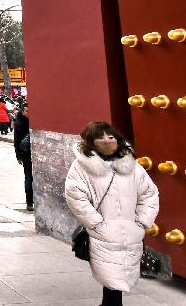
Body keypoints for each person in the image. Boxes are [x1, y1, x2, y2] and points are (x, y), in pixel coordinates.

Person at [65, 122, 159, 306]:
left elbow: (149, 193)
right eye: (100, 137)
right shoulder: (81, 166)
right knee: (112, 276)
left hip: (131, 231)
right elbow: (75, 196)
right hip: (103, 232)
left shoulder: (131, 165)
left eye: (110, 136)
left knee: (120, 274)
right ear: (90, 141)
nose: (107, 140)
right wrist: (97, 223)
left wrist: (141, 221)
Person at [12, 103, 33, 211]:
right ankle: (29, 202)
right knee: (29, 177)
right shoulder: (19, 123)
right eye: (28, 111)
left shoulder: (33, 121)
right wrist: (18, 156)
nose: (30, 113)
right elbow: (16, 141)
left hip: (35, 153)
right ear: (23, 111)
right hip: (26, 154)